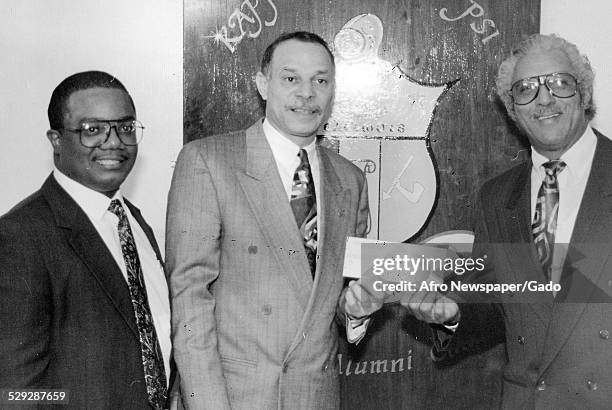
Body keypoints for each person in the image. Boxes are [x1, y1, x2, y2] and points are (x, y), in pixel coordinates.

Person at [398, 34, 612, 408]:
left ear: (584, 92)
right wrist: (451, 315)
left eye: (559, 83)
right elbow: (503, 308)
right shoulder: (497, 197)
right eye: (526, 89)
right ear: (513, 109)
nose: (544, 99)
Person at [166, 31, 369, 410]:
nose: (307, 93)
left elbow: (332, 301)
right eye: (291, 79)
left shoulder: (351, 180)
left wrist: (356, 310)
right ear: (263, 84)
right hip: (232, 398)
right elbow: (190, 300)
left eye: (320, 81)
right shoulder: (208, 162)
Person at [0, 71, 172, 409]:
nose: (114, 142)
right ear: (56, 140)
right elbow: (14, 392)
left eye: (125, 127)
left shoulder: (134, 221)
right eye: (92, 130)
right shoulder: (21, 236)